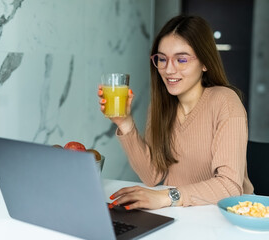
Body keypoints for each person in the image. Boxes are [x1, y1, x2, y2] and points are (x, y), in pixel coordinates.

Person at [98, 15, 253, 210]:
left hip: (231, 215)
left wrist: (166, 197)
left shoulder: (225, 101)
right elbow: (151, 176)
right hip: (183, 212)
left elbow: (230, 186)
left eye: (181, 59)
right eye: (162, 59)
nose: (169, 69)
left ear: (205, 63)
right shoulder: (162, 106)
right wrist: (125, 123)